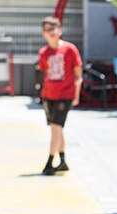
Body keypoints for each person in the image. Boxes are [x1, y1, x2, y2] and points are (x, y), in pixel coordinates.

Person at [38, 16, 82, 176]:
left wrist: (76, 96)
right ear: (43, 34)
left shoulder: (70, 49)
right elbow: (45, 73)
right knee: (56, 128)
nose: (51, 33)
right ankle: (63, 160)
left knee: (56, 127)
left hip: (65, 95)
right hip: (49, 95)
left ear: (60, 30)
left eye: (53, 29)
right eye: (47, 30)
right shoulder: (44, 52)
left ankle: (50, 162)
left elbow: (78, 75)